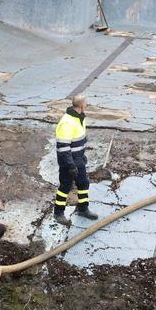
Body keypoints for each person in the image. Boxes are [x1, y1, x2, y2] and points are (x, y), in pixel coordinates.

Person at [53, 94, 98, 224]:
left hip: (79, 159)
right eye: (86, 102)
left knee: (83, 183)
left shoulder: (79, 118)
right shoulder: (67, 122)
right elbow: (63, 147)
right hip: (69, 162)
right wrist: (71, 165)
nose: (87, 104)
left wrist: (81, 158)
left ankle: (83, 209)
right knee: (65, 186)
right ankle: (58, 213)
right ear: (82, 105)